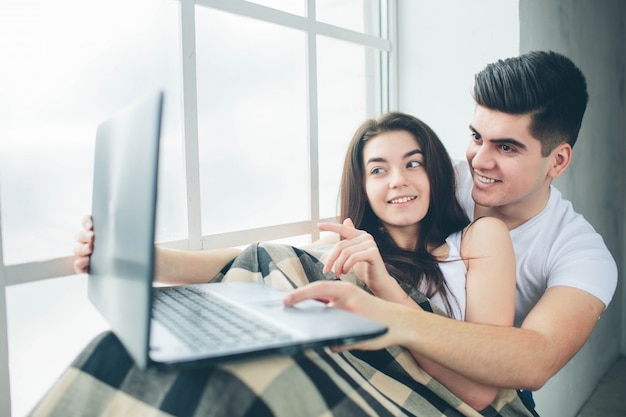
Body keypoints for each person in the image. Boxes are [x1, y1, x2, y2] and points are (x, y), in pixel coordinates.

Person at [74, 112, 518, 412]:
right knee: (123, 353)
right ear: (363, 188)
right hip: (347, 383)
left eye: (413, 163)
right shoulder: (357, 250)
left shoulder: (481, 238)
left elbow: (480, 392)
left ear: (435, 171)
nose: (398, 181)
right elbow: (249, 263)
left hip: (433, 404)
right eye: (379, 170)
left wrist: (385, 290)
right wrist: (141, 260)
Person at [286, 50, 618, 405]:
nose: (480, 160)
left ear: (558, 160)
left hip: (489, 379)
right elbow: (345, 238)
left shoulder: (583, 254)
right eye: (477, 137)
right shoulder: (437, 178)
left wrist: (393, 315)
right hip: (398, 352)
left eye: (506, 147)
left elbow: (536, 361)